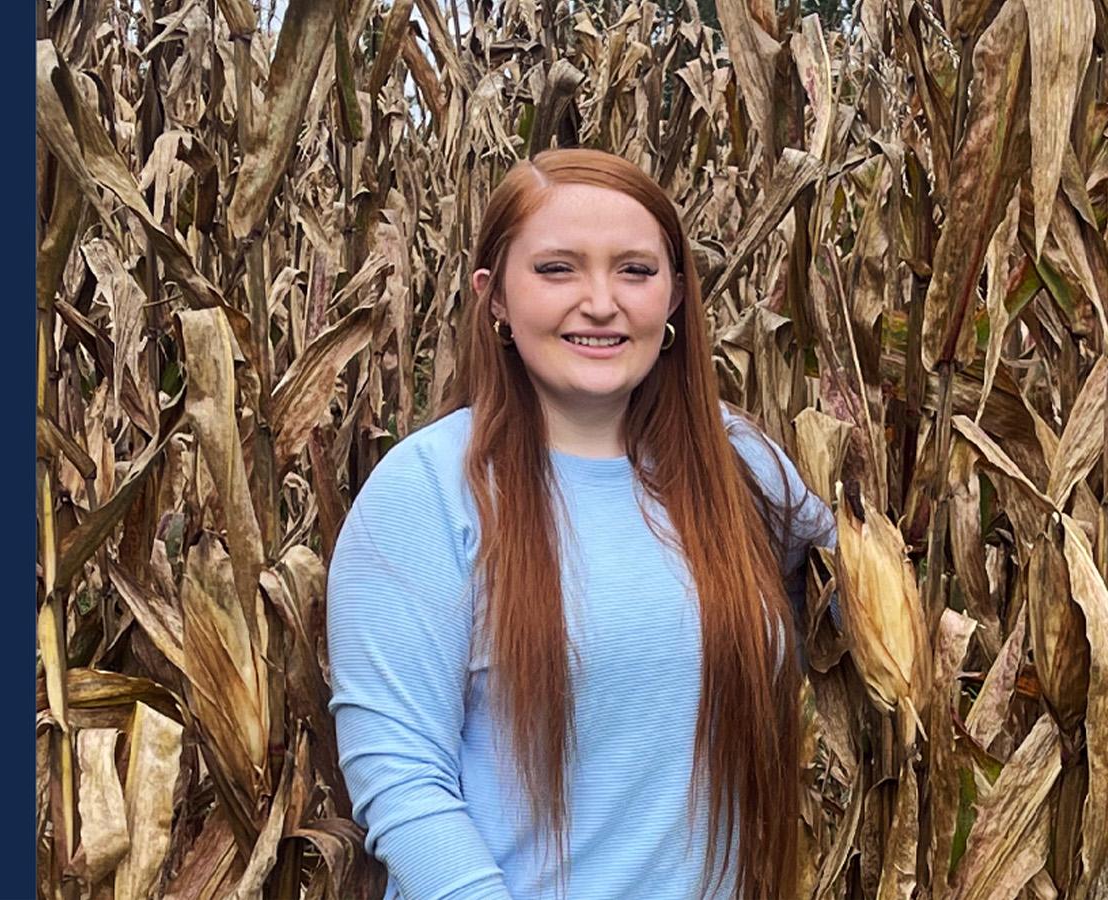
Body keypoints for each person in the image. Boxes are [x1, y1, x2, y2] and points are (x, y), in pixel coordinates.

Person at [326, 148, 841, 900]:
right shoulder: (426, 492)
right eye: (557, 270)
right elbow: (402, 780)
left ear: (674, 297)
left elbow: (836, 597)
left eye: (635, 271)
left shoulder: (738, 465)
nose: (601, 302)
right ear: (494, 297)